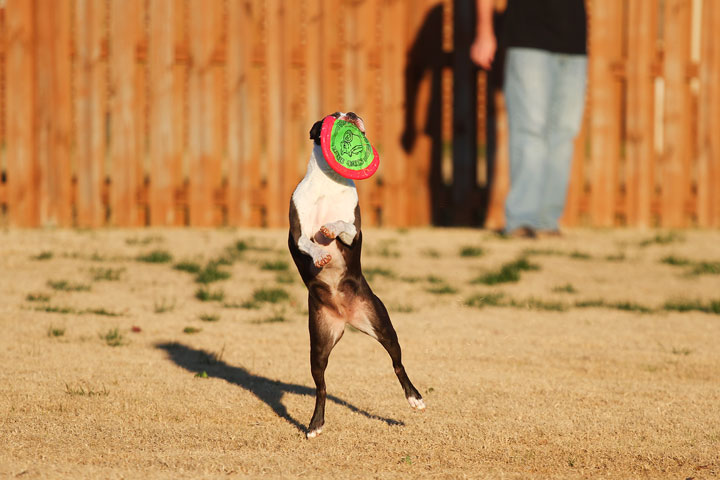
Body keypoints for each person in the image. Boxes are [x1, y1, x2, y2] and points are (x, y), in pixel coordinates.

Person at [471, 0, 588, 237]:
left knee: (564, 134)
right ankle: (522, 220)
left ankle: (547, 221)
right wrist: (484, 33)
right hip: (528, 40)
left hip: (574, 43)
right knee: (530, 131)